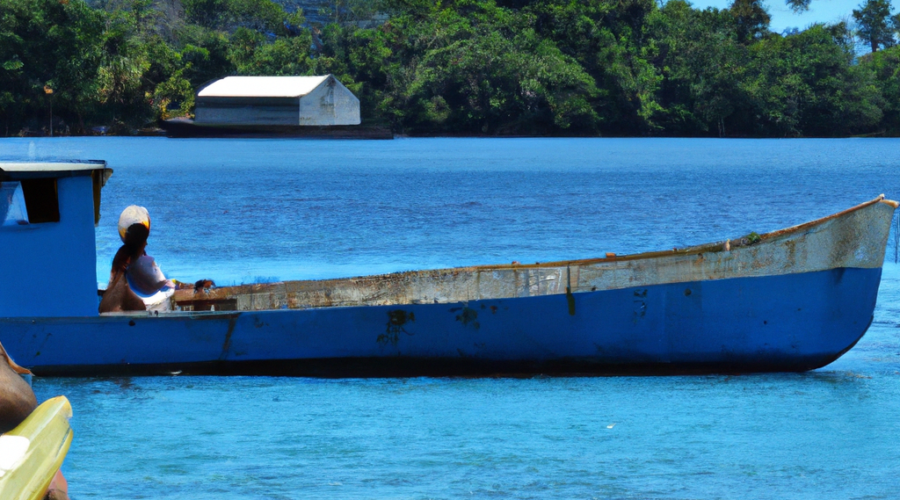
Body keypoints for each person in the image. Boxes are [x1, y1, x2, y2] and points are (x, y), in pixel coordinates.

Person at [99, 206, 178, 313]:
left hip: (119, 305)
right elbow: (155, 282)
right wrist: (168, 284)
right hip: (149, 304)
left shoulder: (122, 255)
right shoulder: (141, 260)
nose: (146, 243)